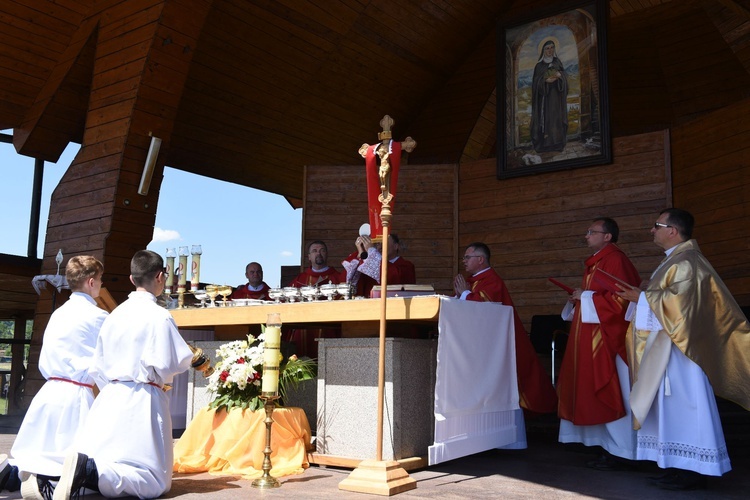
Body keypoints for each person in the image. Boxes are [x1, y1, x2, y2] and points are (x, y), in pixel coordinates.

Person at [617, 208, 750, 490]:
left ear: (672, 231)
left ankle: (694, 468)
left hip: (683, 352)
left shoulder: (688, 261)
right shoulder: (674, 260)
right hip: (670, 348)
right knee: (670, 408)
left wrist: (642, 297)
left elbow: (682, 304)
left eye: (656, 225)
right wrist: (644, 295)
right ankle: (675, 464)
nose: (652, 230)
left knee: (687, 406)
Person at [53, 250, 194, 500]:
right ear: (161, 276)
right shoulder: (159, 316)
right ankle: (88, 471)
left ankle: (65, 477)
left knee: (110, 457)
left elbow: (98, 363)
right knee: (154, 480)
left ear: (131, 279)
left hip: (110, 397)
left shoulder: (115, 315)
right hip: (144, 397)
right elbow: (175, 361)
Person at [0, 256, 108, 500]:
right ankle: (43, 481)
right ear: (91, 282)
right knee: (72, 459)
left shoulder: (58, 313)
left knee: (39, 449)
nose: (101, 285)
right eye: (100, 280)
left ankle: (15, 475)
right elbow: (107, 360)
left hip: (50, 391)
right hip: (77, 393)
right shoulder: (98, 317)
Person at [556, 218, 641, 468]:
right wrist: (580, 298)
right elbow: (601, 297)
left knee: (612, 391)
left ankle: (621, 450)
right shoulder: (596, 263)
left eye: (591, 231)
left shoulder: (616, 259)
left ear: (607, 237)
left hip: (608, 340)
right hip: (592, 337)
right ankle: (602, 444)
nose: (586, 236)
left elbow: (622, 302)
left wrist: (587, 297)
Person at [454, 242, 558, 416]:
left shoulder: (491, 280)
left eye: (467, 257)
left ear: (480, 259)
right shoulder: (473, 282)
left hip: (499, 344)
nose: (463, 261)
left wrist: (464, 294)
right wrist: (458, 296)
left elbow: (486, 309)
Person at [289, 241, 344, 357]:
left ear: (327, 254)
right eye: (314, 251)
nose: (318, 253)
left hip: (329, 326)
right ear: (309, 257)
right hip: (304, 327)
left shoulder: (337, 277)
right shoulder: (300, 280)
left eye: (322, 250)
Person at [342, 233, 416, 297]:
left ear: (396, 246)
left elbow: (392, 277)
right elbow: (351, 281)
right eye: (377, 243)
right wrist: (361, 254)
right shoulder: (369, 263)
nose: (379, 246)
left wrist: (371, 251)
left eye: (383, 242)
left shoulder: (406, 265)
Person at [530, 39, 568, 153]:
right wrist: (545, 81)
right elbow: (535, 83)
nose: (550, 50)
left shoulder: (557, 62)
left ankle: (557, 144)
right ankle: (544, 145)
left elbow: (565, 77)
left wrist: (560, 76)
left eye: (552, 47)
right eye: (547, 48)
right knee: (545, 120)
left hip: (556, 98)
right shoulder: (539, 66)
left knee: (556, 119)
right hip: (544, 99)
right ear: (543, 51)